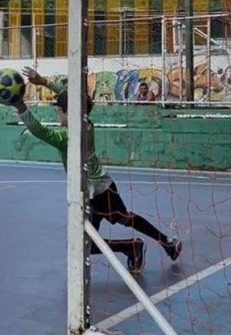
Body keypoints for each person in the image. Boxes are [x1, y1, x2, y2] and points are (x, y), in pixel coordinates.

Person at [17, 67, 182, 273]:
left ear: (70, 113)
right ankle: (140, 245)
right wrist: (44, 81)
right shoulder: (87, 123)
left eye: (58, 110)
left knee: (110, 228)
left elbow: (39, 130)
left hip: (99, 191)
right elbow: (76, 99)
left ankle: (155, 243)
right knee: (94, 238)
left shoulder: (65, 138)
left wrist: (20, 106)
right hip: (94, 190)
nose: (57, 113)